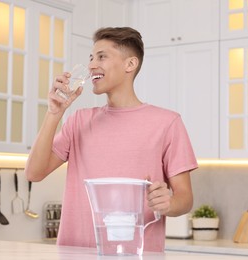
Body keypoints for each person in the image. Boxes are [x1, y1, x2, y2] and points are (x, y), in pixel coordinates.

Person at [25, 27, 198, 252]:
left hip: (137, 255)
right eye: (91, 57)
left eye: (102, 57)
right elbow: (34, 173)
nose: (91, 65)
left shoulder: (167, 123)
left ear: (130, 64)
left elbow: (185, 199)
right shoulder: (79, 120)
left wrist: (168, 202)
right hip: (75, 253)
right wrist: (53, 114)